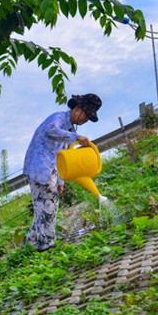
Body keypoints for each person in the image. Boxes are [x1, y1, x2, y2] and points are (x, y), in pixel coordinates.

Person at [22, 93, 102, 252]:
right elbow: (51, 130)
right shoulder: (58, 118)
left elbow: (62, 158)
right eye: (85, 115)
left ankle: (29, 246)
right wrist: (76, 137)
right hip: (39, 167)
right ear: (77, 108)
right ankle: (47, 246)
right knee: (48, 206)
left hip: (49, 170)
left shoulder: (70, 130)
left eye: (88, 118)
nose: (84, 120)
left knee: (44, 208)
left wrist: (60, 181)